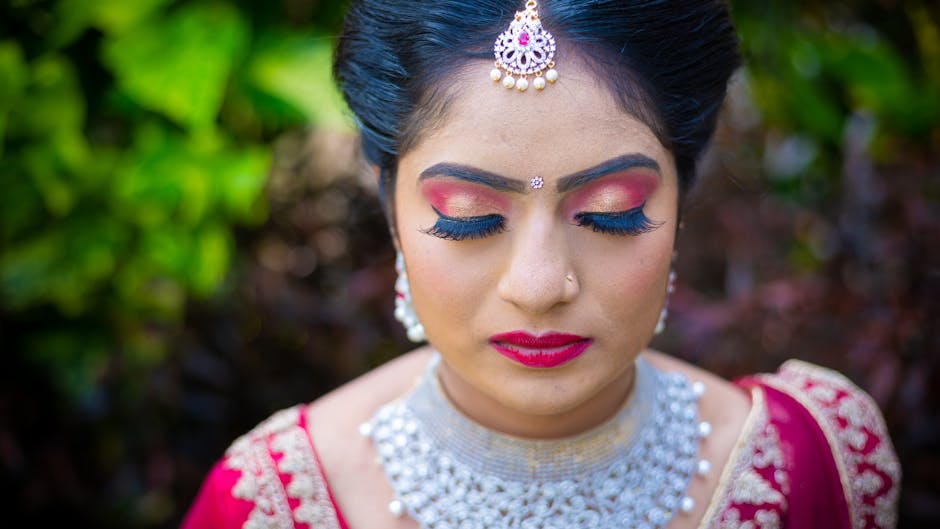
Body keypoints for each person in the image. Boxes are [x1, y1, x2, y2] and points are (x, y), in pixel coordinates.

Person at [181, 1, 901, 528]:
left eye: (611, 211)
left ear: (683, 195)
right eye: (469, 217)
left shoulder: (813, 465)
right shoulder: (274, 501)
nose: (537, 286)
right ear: (391, 207)